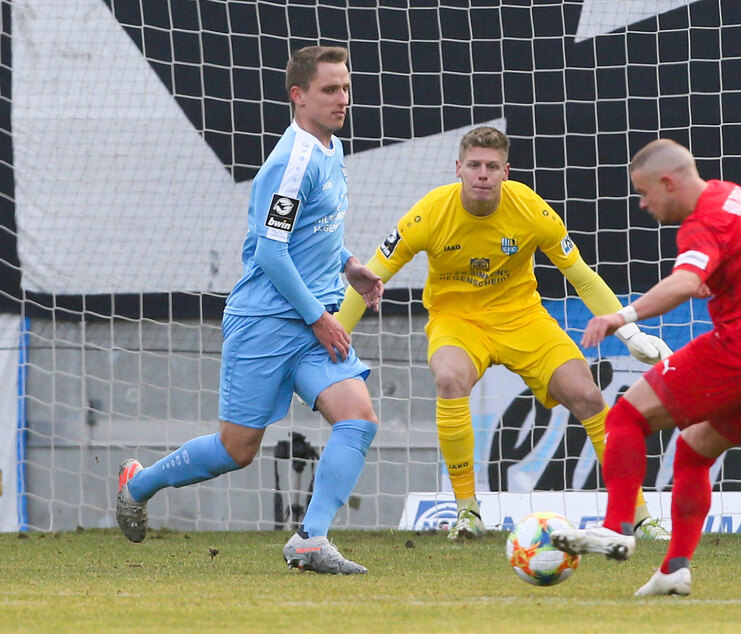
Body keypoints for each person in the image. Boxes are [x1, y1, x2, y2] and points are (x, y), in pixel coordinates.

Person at [115, 46, 385, 575]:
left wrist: (350, 264)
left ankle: (310, 538)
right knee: (237, 450)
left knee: (358, 419)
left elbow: (316, 233)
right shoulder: (292, 162)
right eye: (330, 90)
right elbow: (270, 251)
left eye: (346, 88)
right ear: (298, 95)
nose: (342, 99)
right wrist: (318, 315)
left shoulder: (333, 149)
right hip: (265, 323)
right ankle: (139, 483)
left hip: (310, 323)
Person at [337, 126, 673, 541]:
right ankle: (467, 513)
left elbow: (582, 276)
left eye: (492, 167)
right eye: (474, 165)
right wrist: (335, 342)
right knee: (448, 378)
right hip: (457, 321)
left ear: (506, 172)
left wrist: (629, 332)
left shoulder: (531, 209)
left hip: (522, 318)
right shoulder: (428, 214)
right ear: (458, 168)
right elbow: (368, 279)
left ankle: (638, 515)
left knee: (587, 395)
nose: (482, 174)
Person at [550, 139, 741, 596]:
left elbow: (687, 281)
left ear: (668, 182)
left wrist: (620, 317)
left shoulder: (701, 222)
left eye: (645, 193)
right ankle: (674, 569)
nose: (643, 204)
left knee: (627, 416)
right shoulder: (739, 197)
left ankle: (616, 526)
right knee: (693, 452)